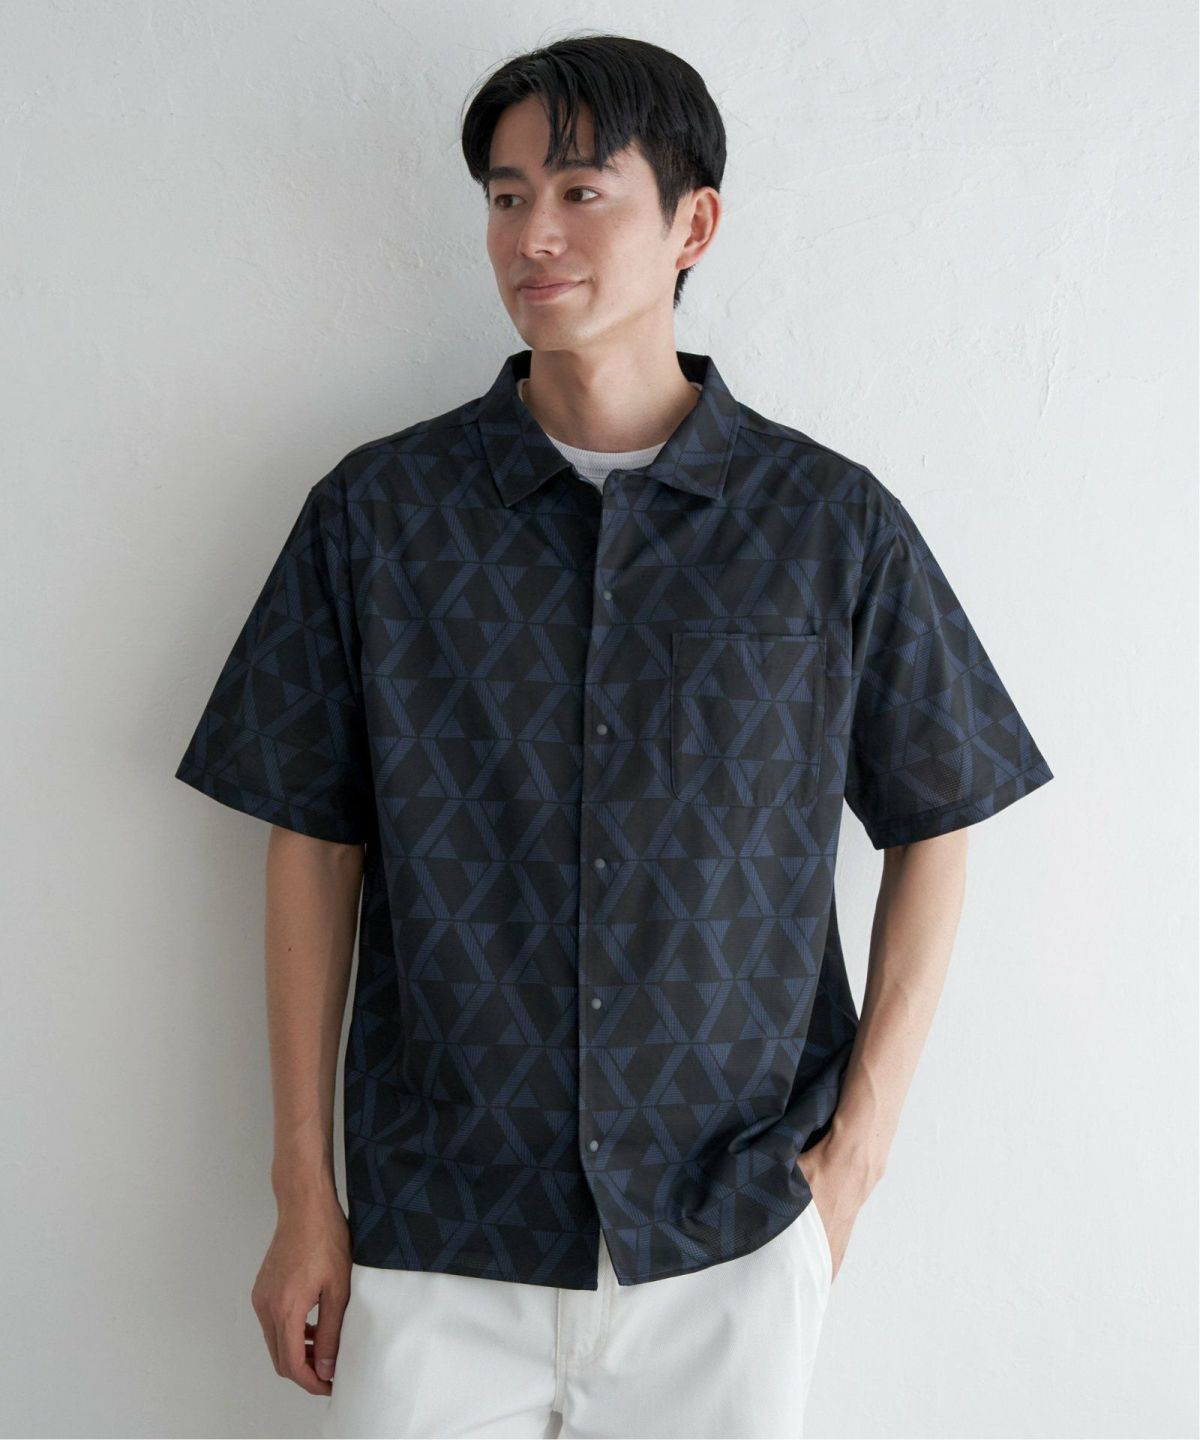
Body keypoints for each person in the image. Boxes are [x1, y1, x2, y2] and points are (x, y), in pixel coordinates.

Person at [174, 33, 1054, 1440]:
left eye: (582, 192)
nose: (534, 235)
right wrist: (304, 1198)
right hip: (436, 1230)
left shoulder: (828, 526)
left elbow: (937, 818)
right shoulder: (378, 517)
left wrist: (856, 1158)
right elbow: (311, 848)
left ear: (692, 223)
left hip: (730, 1236)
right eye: (507, 196)